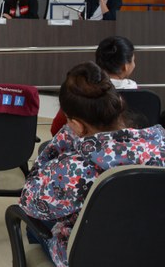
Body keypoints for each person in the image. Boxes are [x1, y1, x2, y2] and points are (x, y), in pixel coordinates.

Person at [20, 62, 165, 267]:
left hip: (91, 257)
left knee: (36, 223)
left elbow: (29, 202)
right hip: (153, 252)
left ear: (76, 125)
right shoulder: (159, 144)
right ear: (119, 103)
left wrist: (62, 140)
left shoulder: (74, 169)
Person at [50, 36, 137, 135]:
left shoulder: (78, 93)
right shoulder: (138, 93)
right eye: (133, 60)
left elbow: (56, 128)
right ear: (125, 66)